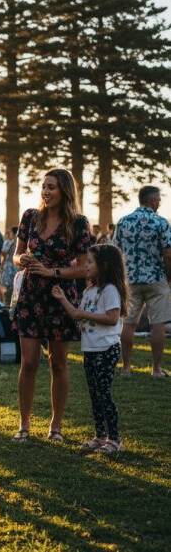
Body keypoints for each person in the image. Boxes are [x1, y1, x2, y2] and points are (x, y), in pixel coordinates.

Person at [12, 168, 93, 443]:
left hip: (60, 297)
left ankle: (55, 427)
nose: (46, 192)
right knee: (29, 362)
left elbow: (83, 269)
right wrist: (22, 261)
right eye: (44, 186)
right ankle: (24, 426)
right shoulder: (30, 217)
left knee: (58, 364)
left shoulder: (79, 223)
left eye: (52, 187)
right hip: (30, 296)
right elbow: (16, 254)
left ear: (65, 191)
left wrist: (52, 272)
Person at [52, 244, 127, 454]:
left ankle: (114, 439)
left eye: (90, 262)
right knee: (94, 394)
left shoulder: (110, 290)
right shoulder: (89, 290)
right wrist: (62, 298)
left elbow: (112, 318)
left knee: (104, 394)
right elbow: (77, 314)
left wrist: (86, 315)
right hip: (91, 350)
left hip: (107, 349)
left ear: (104, 265)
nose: (85, 266)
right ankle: (100, 436)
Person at [113, 185, 171, 377]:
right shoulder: (161, 223)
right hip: (156, 278)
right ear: (152, 200)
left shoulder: (123, 222)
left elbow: (115, 251)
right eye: (159, 200)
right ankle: (156, 369)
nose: (160, 203)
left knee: (128, 323)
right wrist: (168, 275)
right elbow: (168, 253)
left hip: (130, 280)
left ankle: (127, 367)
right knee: (158, 324)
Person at [1, 227, 19, 304]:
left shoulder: (9, 242)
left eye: (11, 233)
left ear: (13, 233)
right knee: (14, 285)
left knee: (7, 285)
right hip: (17, 267)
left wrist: (2, 264)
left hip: (9, 265)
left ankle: (7, 303)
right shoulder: (20, 242)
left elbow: (4, 253)